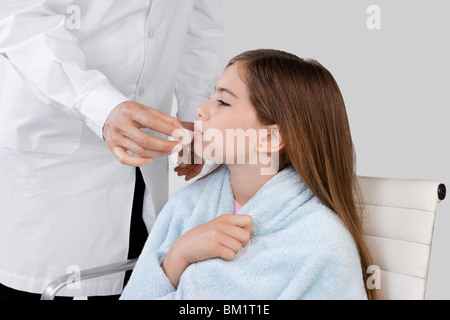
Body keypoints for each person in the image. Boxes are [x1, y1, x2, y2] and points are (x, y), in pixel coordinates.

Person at [0, 0, 225, 299]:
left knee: (136, 276)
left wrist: (196, 112)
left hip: (144, 167)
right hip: (53, 169)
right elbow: (22, 18)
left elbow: (201, 21)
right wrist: (99, 104)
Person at [120, 49, 381, 300]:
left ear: (270, 137)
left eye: (222, 101)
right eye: (212, 96)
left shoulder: (322, 243)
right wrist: (179, 255)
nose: (201, 110)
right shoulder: (187, 207)